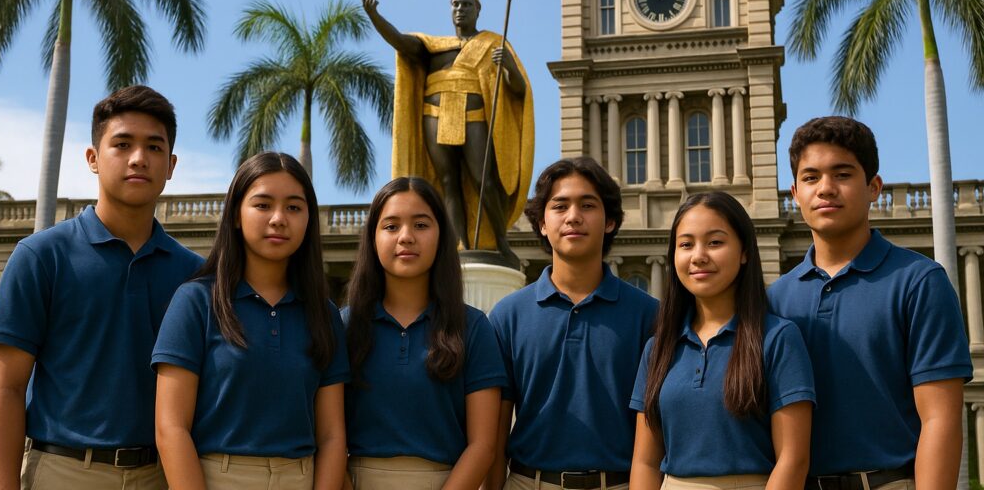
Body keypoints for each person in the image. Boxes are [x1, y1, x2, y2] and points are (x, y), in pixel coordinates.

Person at [0, 85, 204, 490]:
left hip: (162, 475)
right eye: (122, 144)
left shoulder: (197, 275)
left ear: (171, 165)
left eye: (155, 148)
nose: (139, 158)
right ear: (93, 158)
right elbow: (6, 388)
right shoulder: (41, 256)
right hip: (63, 471)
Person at [769, 116, 972, 489]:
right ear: (795, 193)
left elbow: (940, 420)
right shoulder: (774, 299)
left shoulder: (919, 281)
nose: (826, 189)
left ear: (873, 187)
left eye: (843, 174)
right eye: (811, 178)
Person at [152, 152, 348, 490]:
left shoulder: (323, 313)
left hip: (300, 478)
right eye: (262, 205)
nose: (278, 218)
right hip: (217, 478)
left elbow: (332, 435)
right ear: (237, 216)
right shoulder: (196, 301)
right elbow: (170, 427)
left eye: (293, 207)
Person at [486, 157, 659, 490]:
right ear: (541, 223)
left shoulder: (649, 315)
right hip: (528, 482)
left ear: (610, 221)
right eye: (560, 206)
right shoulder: (508, 316)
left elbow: (654, 437)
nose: (573, 217)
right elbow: (493, 439)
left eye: (588, 205)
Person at [629, 192, 815, 490]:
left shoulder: (777, 337)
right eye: (686, 244)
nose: (698, 256)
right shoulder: (658, 348)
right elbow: (645, 462)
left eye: (715, 242)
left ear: (744, 252)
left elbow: (793, 459)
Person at [360, 0, 534, 265]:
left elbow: (518, 91)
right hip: (435, 115)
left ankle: (501, 242)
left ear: (478, 10)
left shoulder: (493, 43)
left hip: (474, 113)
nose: (460, 10)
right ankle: (460, 244)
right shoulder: (434, 46)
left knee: (484, 179)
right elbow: (401, 42)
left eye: (466, 4)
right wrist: (374, 17)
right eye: (455, 4)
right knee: (448, 181)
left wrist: (510, 68)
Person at [342, 176, 506, 490]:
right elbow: (329, 437)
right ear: (372, 238)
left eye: (421, 225)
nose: (406, 237)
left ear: (442, 235)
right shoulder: (345, 327)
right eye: (391, 226)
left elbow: (483, 446)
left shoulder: (472, 327)